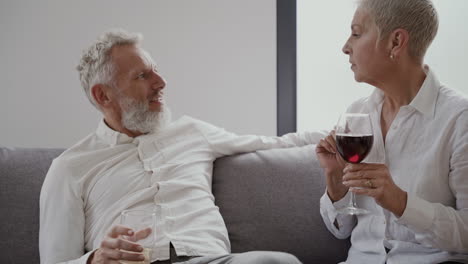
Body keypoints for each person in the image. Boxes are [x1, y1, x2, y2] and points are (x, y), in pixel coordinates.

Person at [39, 29, 323, 264]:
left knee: (277, 263)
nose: (161, 83)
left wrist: (347, 132)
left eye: (156, 72)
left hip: (208, 260)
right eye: (142, 76)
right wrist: (95, 259)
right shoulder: (70, 167)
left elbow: (279, 144)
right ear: (103, 95)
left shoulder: (193, 132)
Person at [316, 0, 468, 263]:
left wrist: (401, 202)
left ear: (396, 42)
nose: (345, 47)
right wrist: (335, 178)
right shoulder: (358, 114)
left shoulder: (459, 119)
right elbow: (340, 230)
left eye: (356, 33)